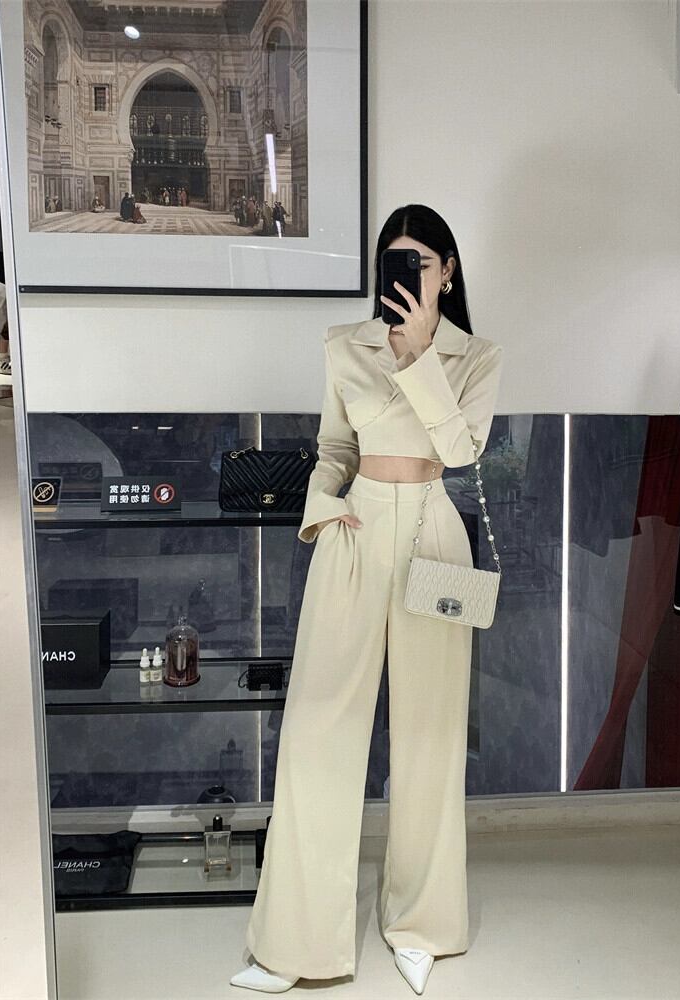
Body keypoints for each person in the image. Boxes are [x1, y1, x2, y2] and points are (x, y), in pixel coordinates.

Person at [230, 204, 504, 995]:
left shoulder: (475, 356)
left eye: (422, 262)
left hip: (433, 534)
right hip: (354, 533)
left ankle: (422, 925)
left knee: (429, 737)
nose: (409, 275)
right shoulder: (343, 344)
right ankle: (295, 942)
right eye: (396, 261)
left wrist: (418, 355)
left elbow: (461, 450)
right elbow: (334, 448)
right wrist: (323, 508)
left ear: (447, 272)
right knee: (318, 734)